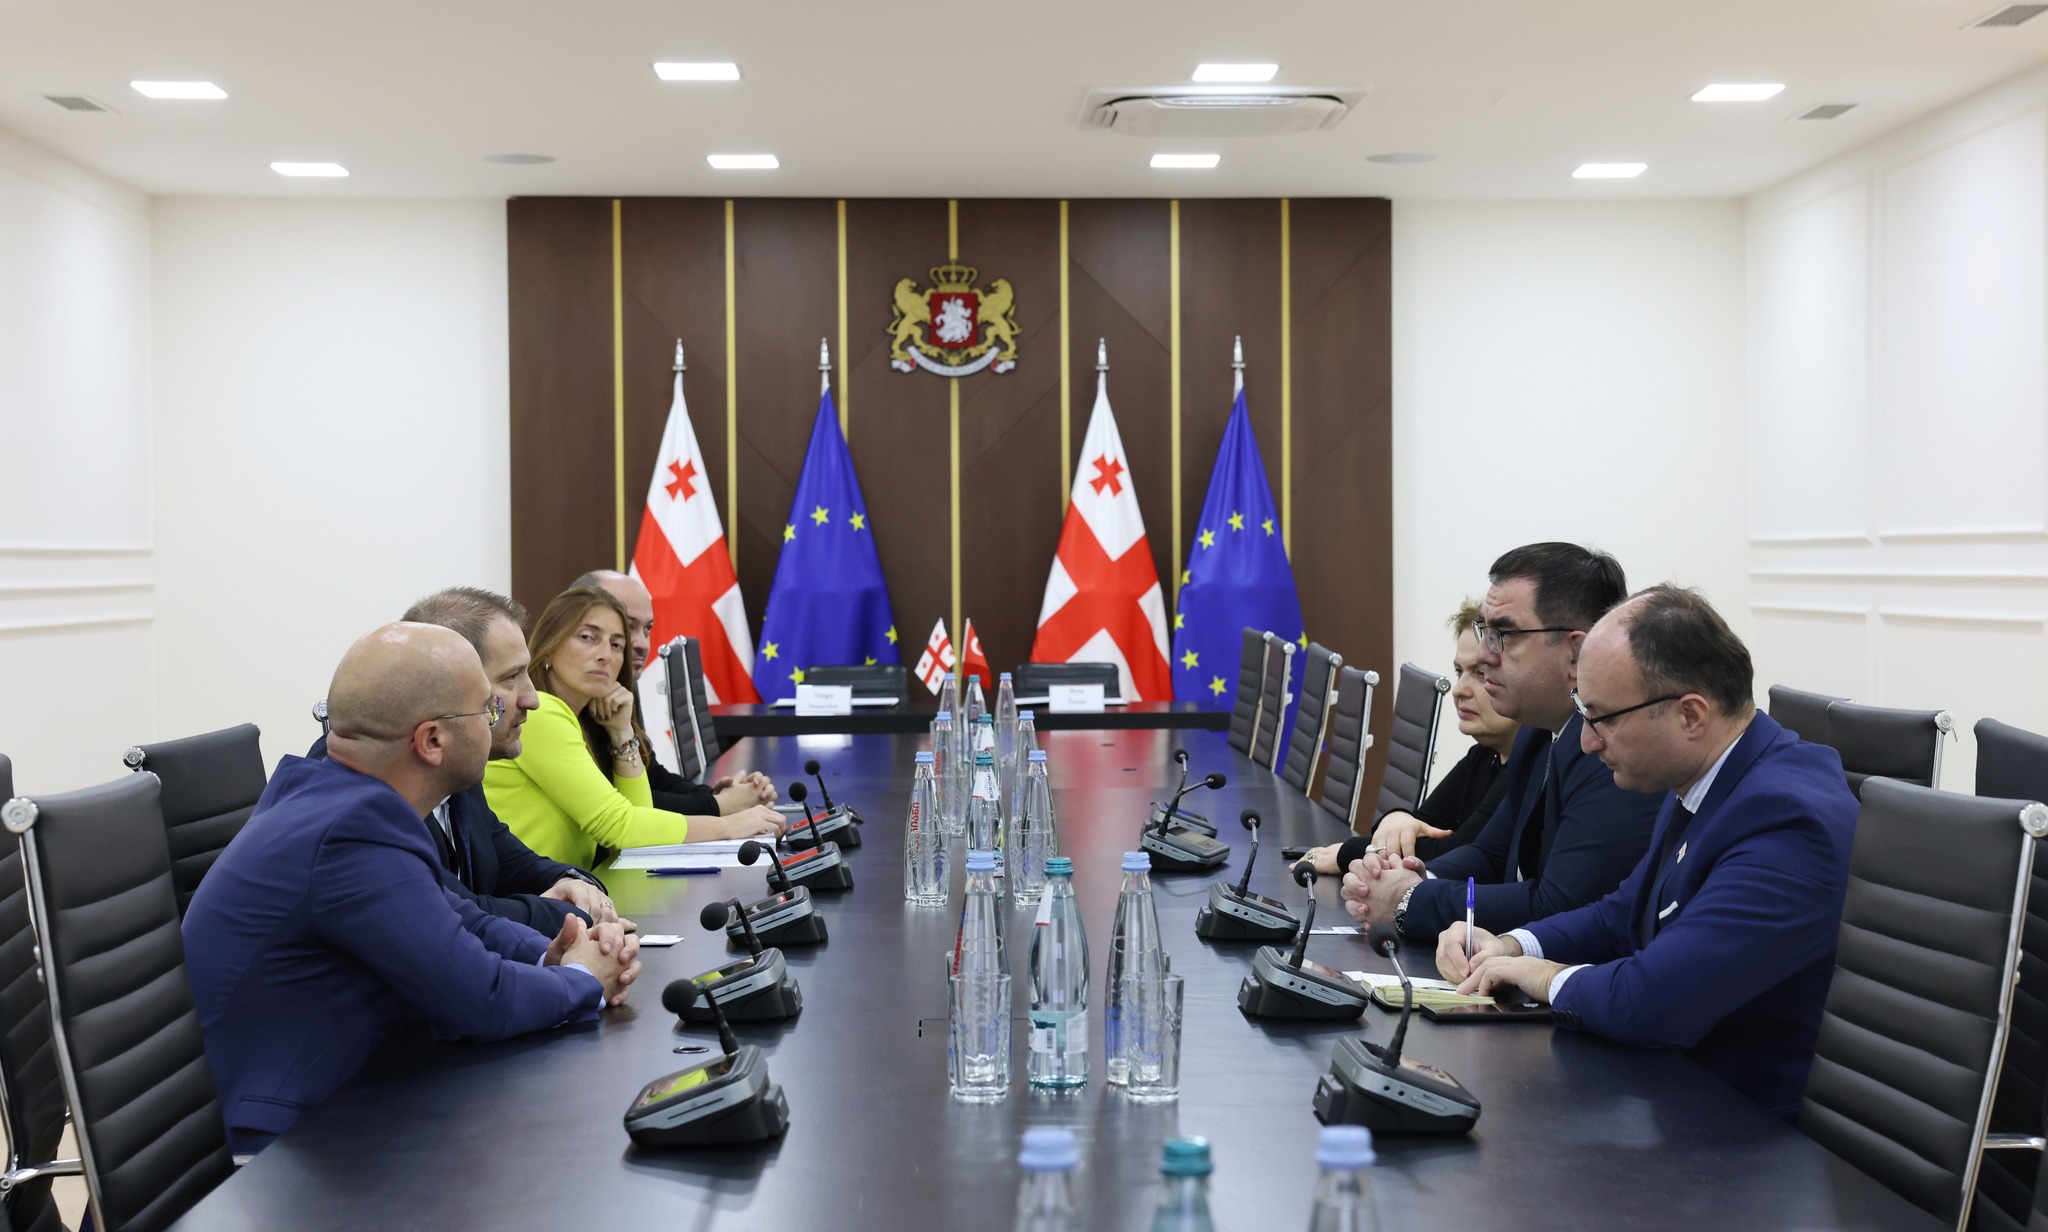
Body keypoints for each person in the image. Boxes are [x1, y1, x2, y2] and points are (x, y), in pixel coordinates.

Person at [183, 623, 641, 1154]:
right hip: (285, 1150)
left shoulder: (344, 798)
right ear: (431, 741)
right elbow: (479, 996)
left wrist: (554, 954)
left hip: (351, 1101)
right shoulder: (353, 832)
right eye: (487, 709)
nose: (507, 714)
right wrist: (585, 980)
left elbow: (464, 921)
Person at [1440, 586, 1856, 1121]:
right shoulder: (1709, 777)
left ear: (1690, 715)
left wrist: (1542, 977)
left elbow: (1652, 1000)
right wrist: (1512, 946)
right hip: (1673, 1089)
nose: (1587, 742)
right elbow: (1622, 914)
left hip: (1742, 1127)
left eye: (1603, 718)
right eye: (1583, 713)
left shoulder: (1786, 822)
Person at [1341, 543, 1661, 942]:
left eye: (1503, 634)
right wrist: (1411, 879)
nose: (1483, 654)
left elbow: (1556, 906)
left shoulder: (1612, 750)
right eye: (1485, 633)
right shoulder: (1537, 730)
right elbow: (1491, 854)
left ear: (1576, 653)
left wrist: (1409, 900)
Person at [484, 585, 784, 868]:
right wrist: (729, 825)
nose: (605, 655)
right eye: (587, 637)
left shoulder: (578, 720)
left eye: (617, 645)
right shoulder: (540, 713)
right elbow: (620, 827)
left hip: (563, 891)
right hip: (527, 896)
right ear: (549, 647)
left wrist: (621, 732)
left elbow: (638, 824)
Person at [1307, 600, 1520, 873]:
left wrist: (1346, 854)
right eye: (1459, 672)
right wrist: (1396, 818)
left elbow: (1453, 852)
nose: (1458, 690)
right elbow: (1421, 823)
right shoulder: (1484, 755)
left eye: (1481, 674)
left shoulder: (1527, 769)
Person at [572, 568, 776, 816]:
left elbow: (650, 774)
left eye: (647, 629)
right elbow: (617, 806)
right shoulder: (551, 706)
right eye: (627, 626)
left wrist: (716, 796)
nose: (642, 643)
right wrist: (721, 806)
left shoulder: (621, 689)